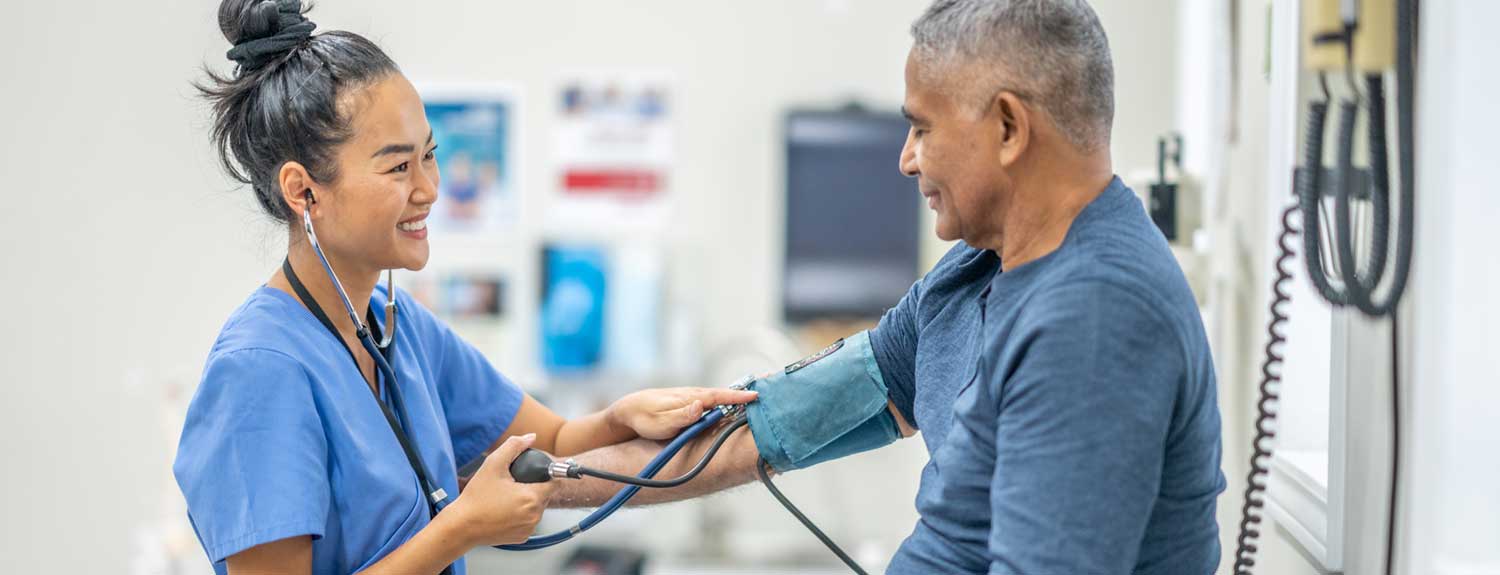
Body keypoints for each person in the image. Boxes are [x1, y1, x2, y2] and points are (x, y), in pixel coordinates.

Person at [547, 1, 1225, 573]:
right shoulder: (970, 278)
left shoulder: (1097, 316)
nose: (905, 160)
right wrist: (541, 479)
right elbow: (765, 426)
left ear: (1010, 128)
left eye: (923, 128)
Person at [171, 2, 757, 573]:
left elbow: (551, 438)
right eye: (398, 167)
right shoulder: (259, 370)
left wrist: (620, 416)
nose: (429, 188)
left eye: (430, 156)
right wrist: (462, 529)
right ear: (304, 193)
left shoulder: (398, 330)